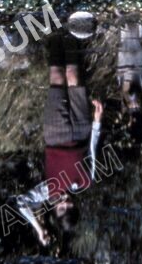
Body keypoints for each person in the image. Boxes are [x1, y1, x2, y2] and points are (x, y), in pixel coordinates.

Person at [11, 32, 103, 246]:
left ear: (54, 209)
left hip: (55, 133)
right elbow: (92, 150)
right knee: (73, 76)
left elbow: (22, 202)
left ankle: (54, 34)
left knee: (57, 77)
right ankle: (72, 32)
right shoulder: (86, 182)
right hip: (81, 130)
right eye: (70, 207)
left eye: (62, 209)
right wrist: (97, 122)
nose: (67, 203)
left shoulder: (49, 189)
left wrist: (39, 228)